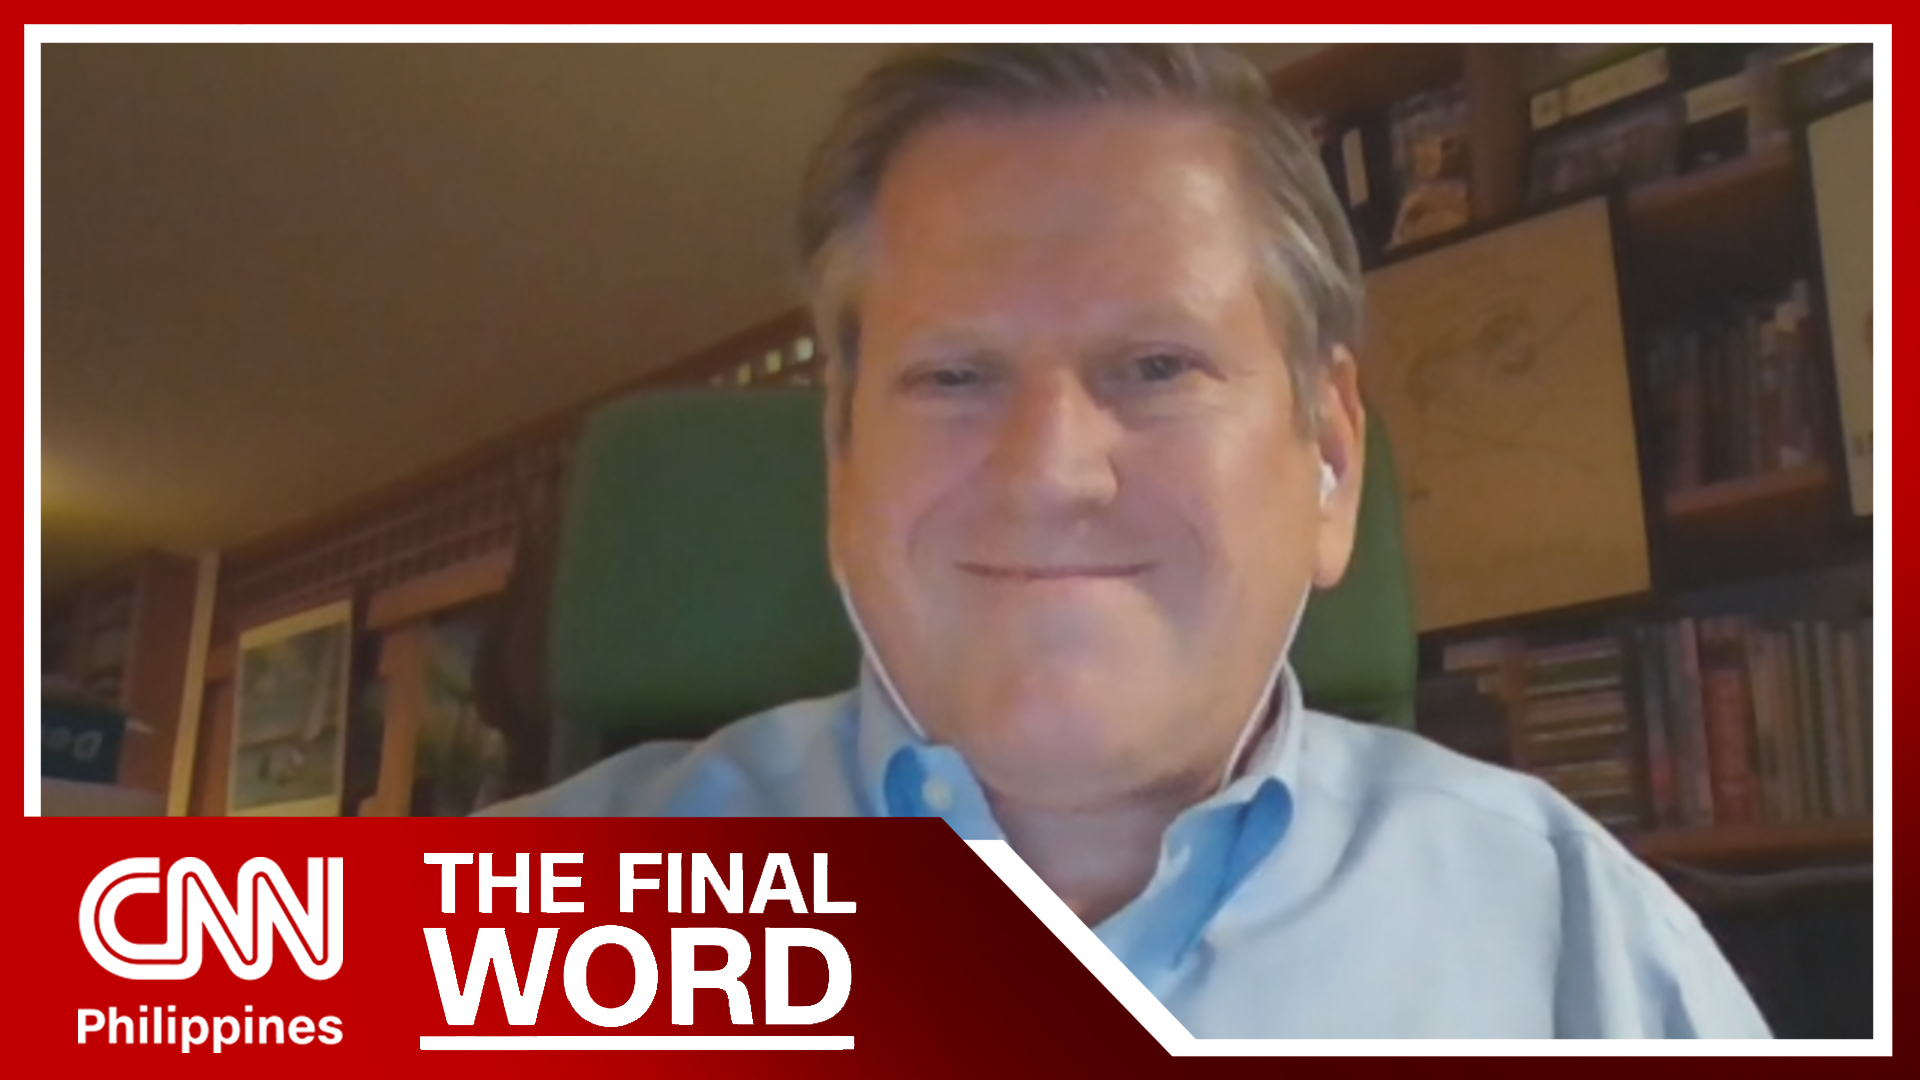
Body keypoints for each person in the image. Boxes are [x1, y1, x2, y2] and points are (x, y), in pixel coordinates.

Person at [487, 44, 1770, 1039]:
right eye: (952, 376)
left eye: (1157, 366)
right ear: (841, 469)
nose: (1051, 472)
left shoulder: (1578, 948)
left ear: (1330, 460)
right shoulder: (502, 935)